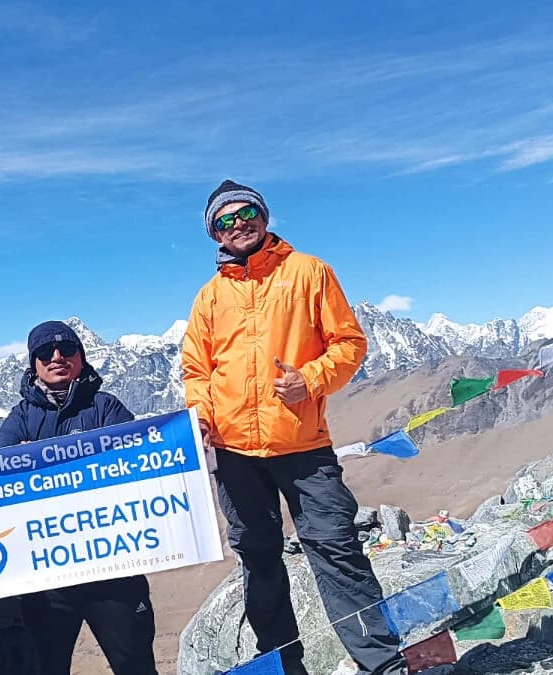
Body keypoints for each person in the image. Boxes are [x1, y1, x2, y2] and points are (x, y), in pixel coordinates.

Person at [181, 180, 404, 675]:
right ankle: (283, 664)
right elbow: (196, 369)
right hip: (235, 453)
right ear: (213, 233)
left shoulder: (309, 272)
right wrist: (200, 414)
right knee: (258, 559)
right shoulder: (209, 298)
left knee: (335, 548)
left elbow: (349, 344)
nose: (238, 225)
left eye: (246, 214)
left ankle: (383, 663)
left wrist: (310, 380)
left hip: (304, 448)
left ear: (264, 217)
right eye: (225, 220)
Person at [0, 320, 157, 675]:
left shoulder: (106, 407)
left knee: (135, 664)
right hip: (48, 580)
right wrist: (18, 463)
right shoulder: (21, 416)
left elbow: (140, 461)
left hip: (115, 567)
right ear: (32, 363)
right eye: (45, 352)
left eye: (67, 349)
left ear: (81, 357)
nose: (56, 357)